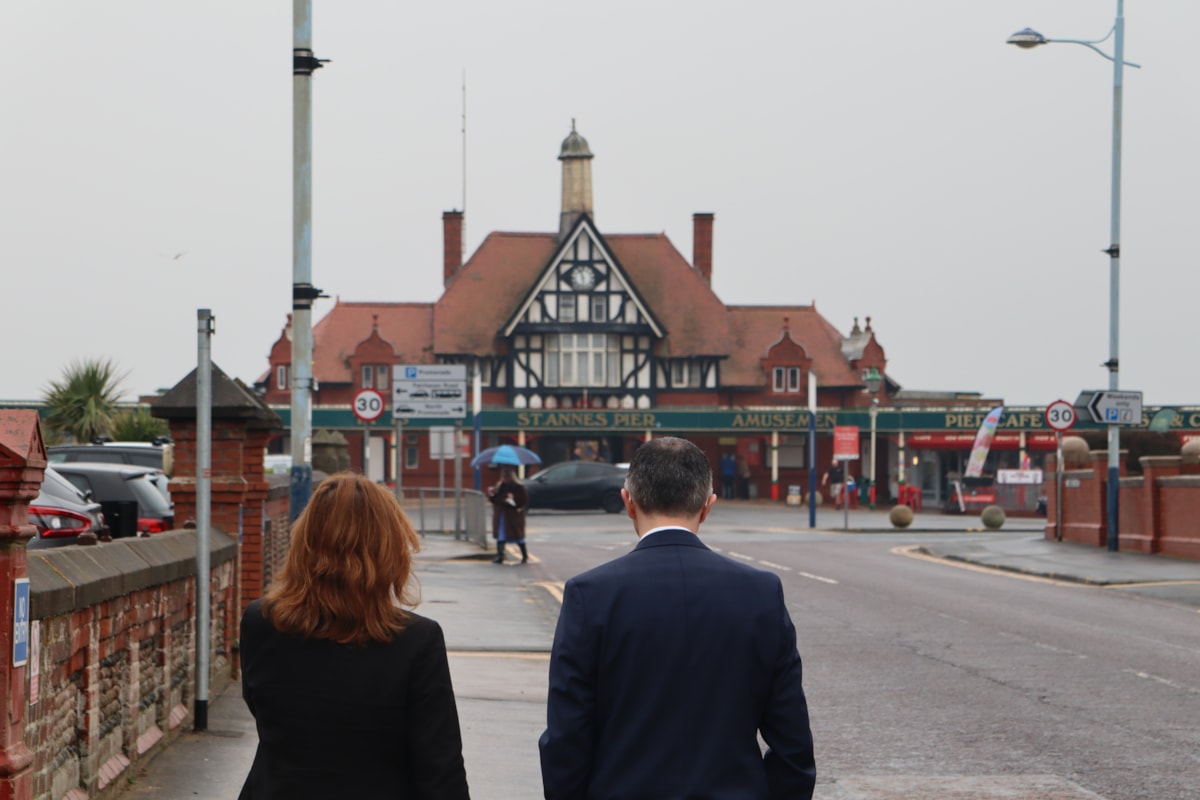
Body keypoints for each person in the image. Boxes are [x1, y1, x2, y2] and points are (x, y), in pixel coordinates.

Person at [539, 437, 816, 800]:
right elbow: (792, 743)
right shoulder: (761, 592)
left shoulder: (589, 594)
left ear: (628, 503)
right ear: (707, 506)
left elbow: (567, 736)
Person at [238, 473, 470, 800]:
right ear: (388, 547)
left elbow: (260, 706)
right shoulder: (417, 641)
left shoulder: (260, 622)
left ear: (305, 539)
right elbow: (440, 768)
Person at [488, 466, 529, 564]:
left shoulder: (518, 487)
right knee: (501, 535)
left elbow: (523, 501)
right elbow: (496, 500)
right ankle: (500, 556)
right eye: (503, 477)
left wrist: (512, 499)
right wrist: (492, 495)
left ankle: (524, 555)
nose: (504, 479)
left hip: (513, 517)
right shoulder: (500, 487)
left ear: (511, 477)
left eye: (506, 477)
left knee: (518, 536)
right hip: (502, 515)